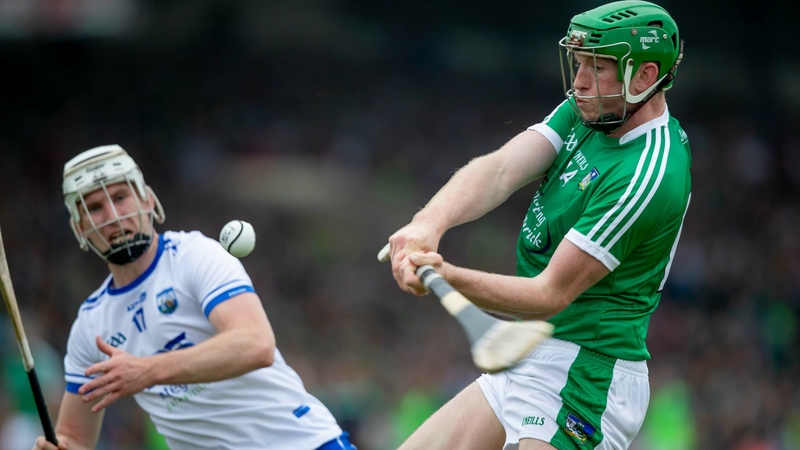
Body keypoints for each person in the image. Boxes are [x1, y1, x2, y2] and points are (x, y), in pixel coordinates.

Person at [385, 1, 689, 449]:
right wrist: (427, 224)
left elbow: (550, 295)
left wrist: (446, 276)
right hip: (528, 349)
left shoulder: (649, 173)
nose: (581, 81)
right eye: (580, 62)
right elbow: (501, 170)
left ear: (644, 77)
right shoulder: (592, 111)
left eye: (599, 67)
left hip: (586, 373)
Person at [34, 145, 355, 450]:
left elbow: (256, 344)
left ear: (147, 200)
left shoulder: (194, 255)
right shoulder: (90, 324)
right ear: (80, 227)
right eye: (94, 208)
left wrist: (147, 371)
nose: (112, 215)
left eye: (120, 197)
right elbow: (74, 438)